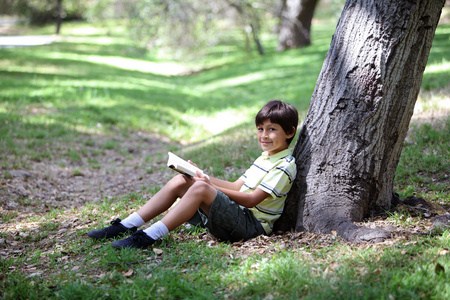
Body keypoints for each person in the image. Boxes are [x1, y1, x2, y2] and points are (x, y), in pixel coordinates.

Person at [87, 100, 298, 249]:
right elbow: (236, 187)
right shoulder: (266, 157)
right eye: (260, 129)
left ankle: (148, 237)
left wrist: (208, 187)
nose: (264, 135)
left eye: (272, 129)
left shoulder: (284, 165)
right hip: (237, 216)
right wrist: (199, 175)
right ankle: (126, 225)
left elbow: (252, 200)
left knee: (201, 187)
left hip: (251, 227)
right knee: (182, 180)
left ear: (289, 132)